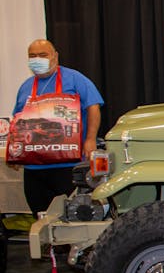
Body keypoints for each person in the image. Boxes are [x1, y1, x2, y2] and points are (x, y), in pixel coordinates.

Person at [9, 39, 104, 215]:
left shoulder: (74, 79)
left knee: (71, 215)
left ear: (55, 56)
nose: (37, 59)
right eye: (32, 56)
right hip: (34, 168)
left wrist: (90, 139)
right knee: (40, 215)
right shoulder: (26, 87)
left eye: (43, 55)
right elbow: (18, 120)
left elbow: (93, 106)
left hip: (67, 164)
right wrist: (15, 153)